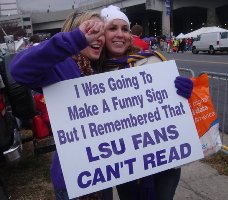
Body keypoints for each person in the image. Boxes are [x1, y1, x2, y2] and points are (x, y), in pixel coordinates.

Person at [10, 11, 112, 200]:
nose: (98, 38)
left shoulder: (98, 67)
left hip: (105, 173)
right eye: (92, 30)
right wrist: (75, 40)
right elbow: (18, 69)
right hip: (74, 180)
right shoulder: (61, 65)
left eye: (101, 33)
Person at [100, 5, 193, 200]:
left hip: (165, 159)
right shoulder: (94, 72)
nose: (120, 34)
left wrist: (183, 93)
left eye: (125, 29)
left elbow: (173, 109)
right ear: (101, 33)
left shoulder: (151, 60)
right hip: (126, 166)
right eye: (112, 28)